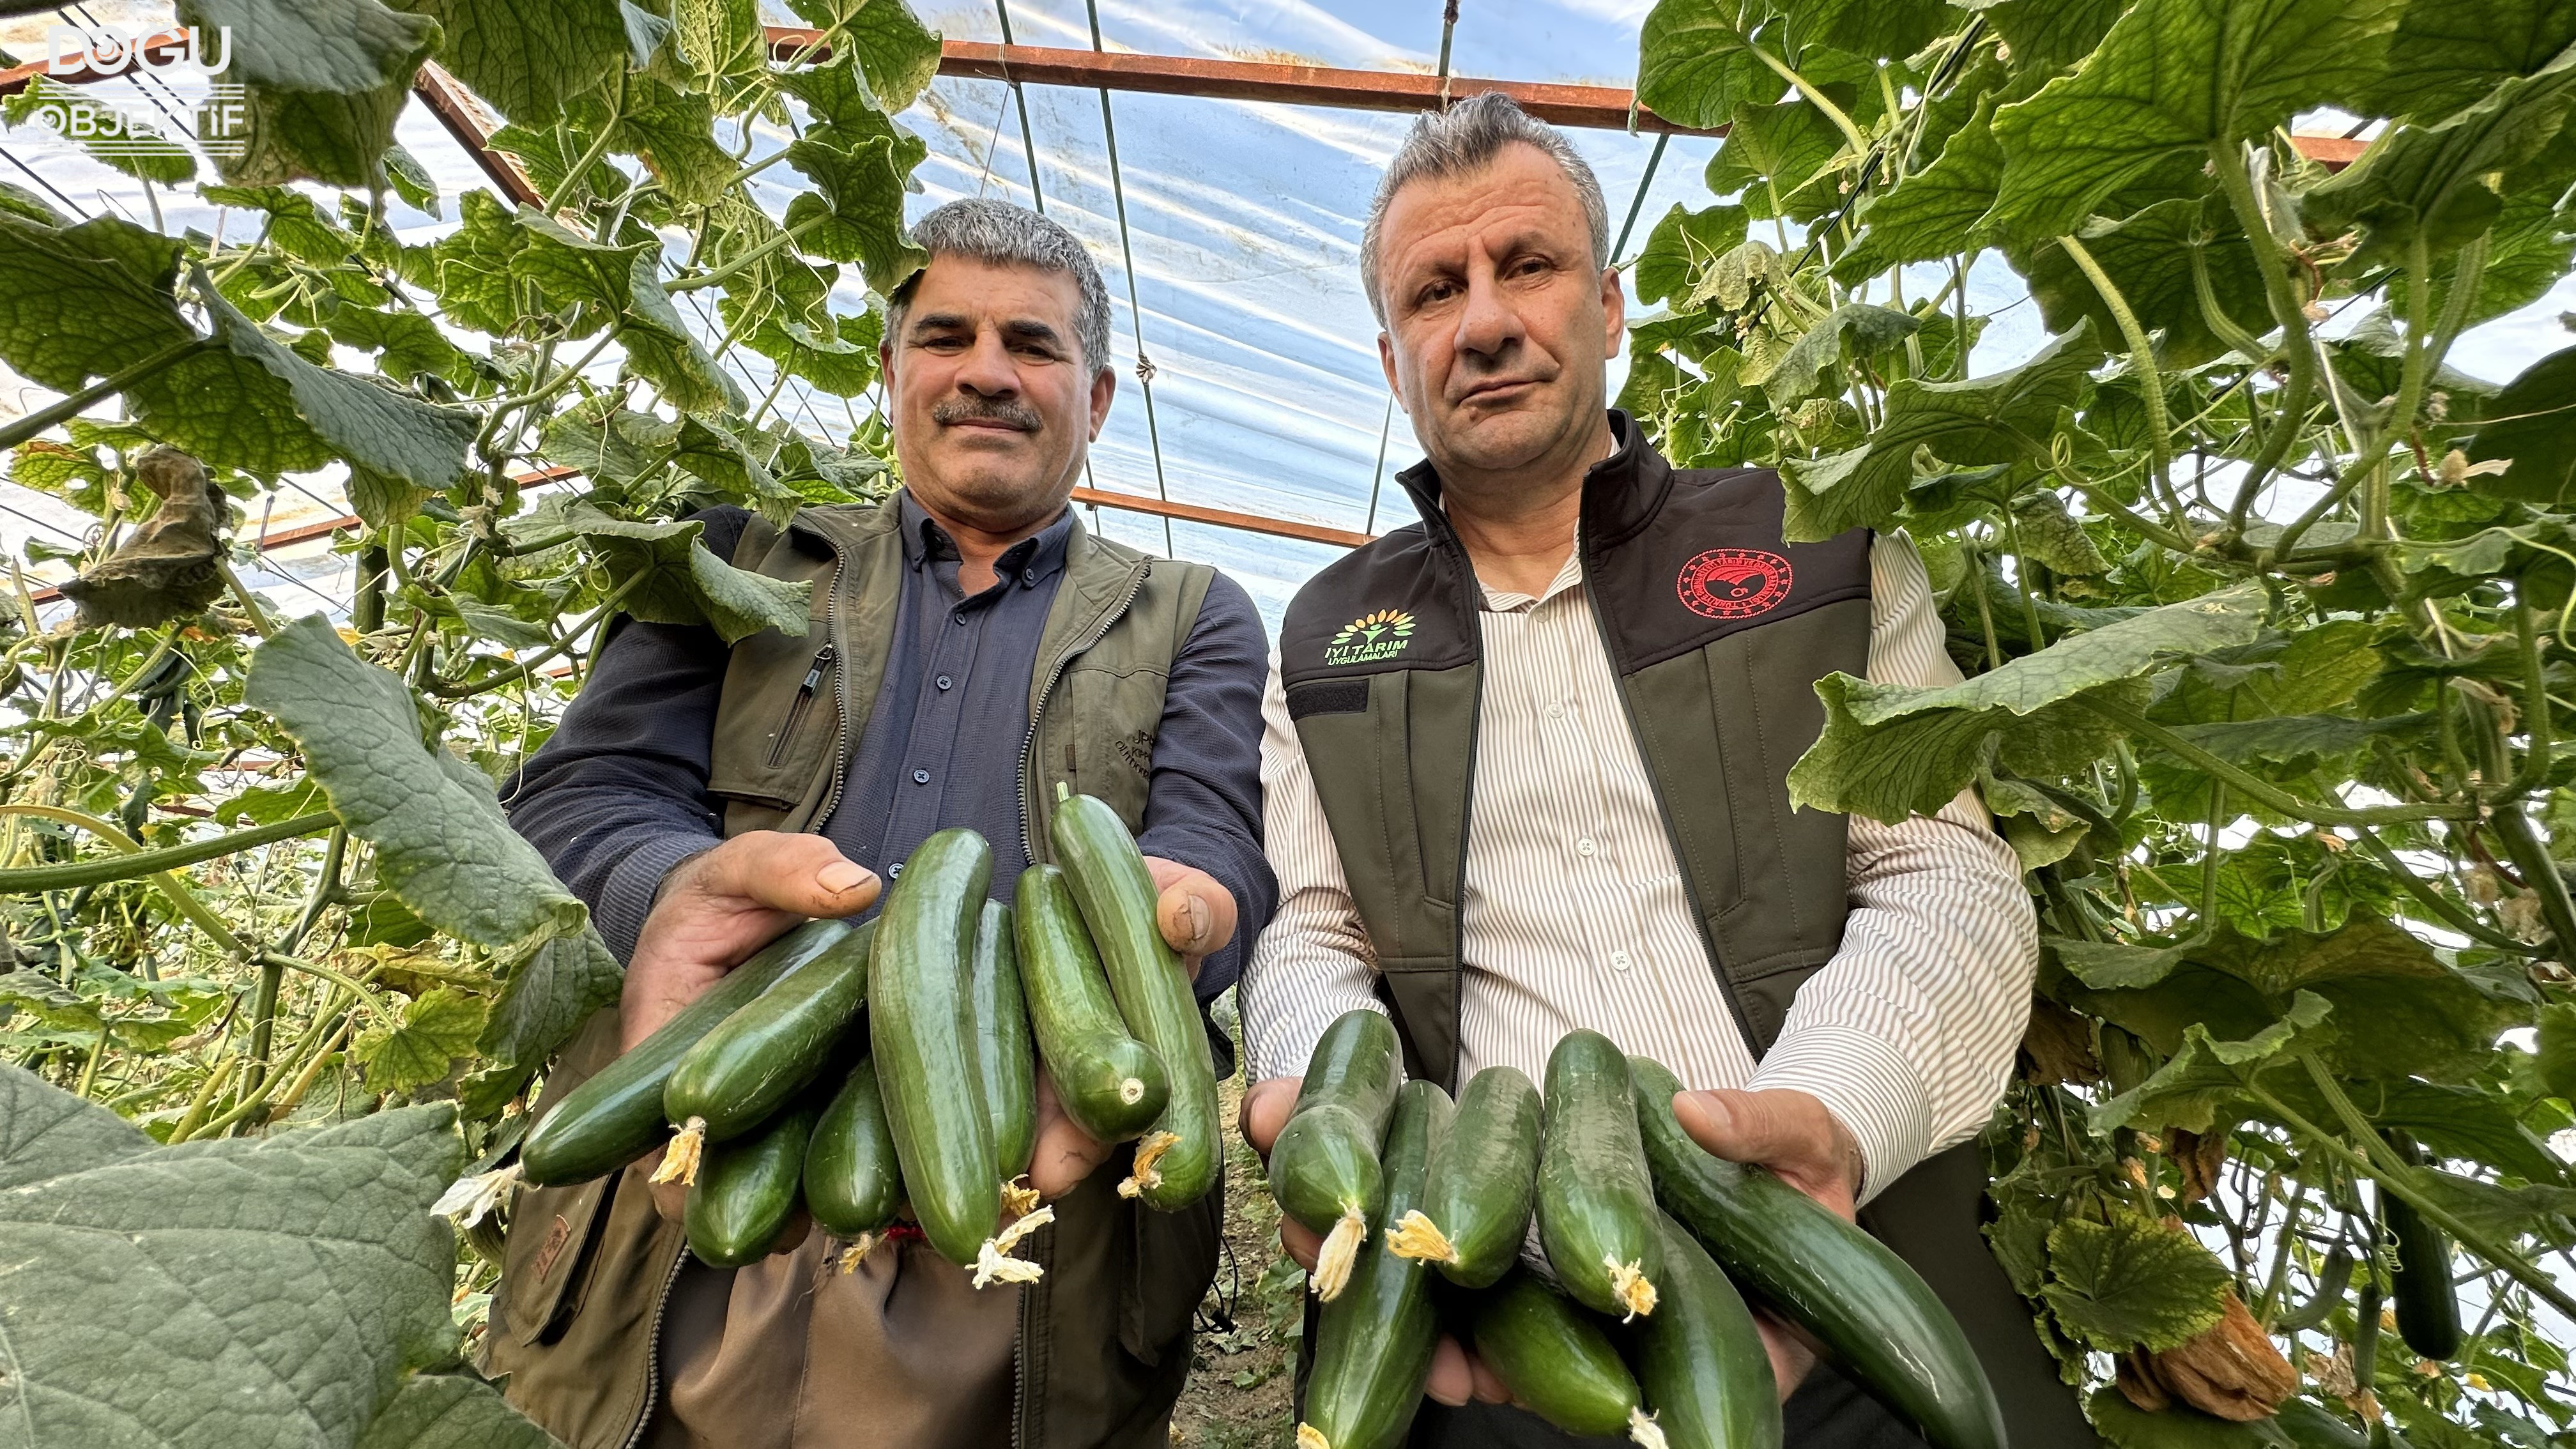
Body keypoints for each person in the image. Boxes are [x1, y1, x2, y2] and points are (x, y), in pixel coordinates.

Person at [1238, 95, 2094, 1446]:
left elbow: (1943, 876)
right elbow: (1314, 932)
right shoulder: (1326, 632)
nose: (1485, 321)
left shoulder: (1813, 546)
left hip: (1857, 1274)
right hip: (1503, 1314)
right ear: (1394, 358)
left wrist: (1825, 1113)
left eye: (1529, 264)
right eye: (1433, 291)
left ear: (1611, 302)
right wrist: (1322, 1090)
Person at [485, 197, 1276, 1449]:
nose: (987, 373)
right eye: (947, 335)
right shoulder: (735, 558)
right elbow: (580, 796)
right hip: (695, 1191)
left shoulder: (1193, 614)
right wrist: (672, 888)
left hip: (1020, 1237)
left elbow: (1218, 840)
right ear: (892, 367)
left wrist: (1179, 922)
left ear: (1101, 397)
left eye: (1034, 344)